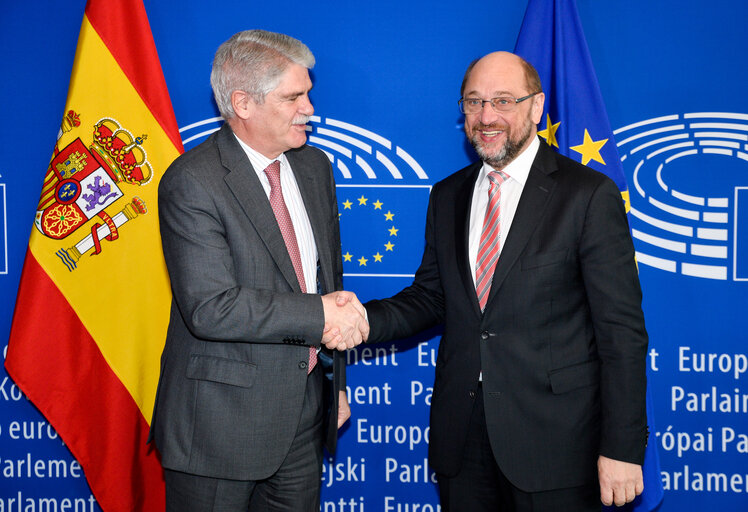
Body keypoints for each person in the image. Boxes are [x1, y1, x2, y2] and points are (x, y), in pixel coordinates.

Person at [328, 51, 648, 511]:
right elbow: (431, 298)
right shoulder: (448, 195)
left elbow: (622, 334)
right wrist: (358, 319)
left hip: (556, 444)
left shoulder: (587, 196)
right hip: (463, 439)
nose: (486, 117)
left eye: (502, 101)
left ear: (536, 107)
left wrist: (621, 448)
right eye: (474, 102)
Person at [149, 29, 368, 511]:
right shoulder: (192, 182)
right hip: (217, 430)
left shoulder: (314, 168)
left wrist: (337, 387)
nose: (309, 108)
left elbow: (323, 281)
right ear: (243, 103)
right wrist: (321, 317)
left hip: (304, 416)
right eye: (294, 96)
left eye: (308, 93)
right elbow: (212, 308)